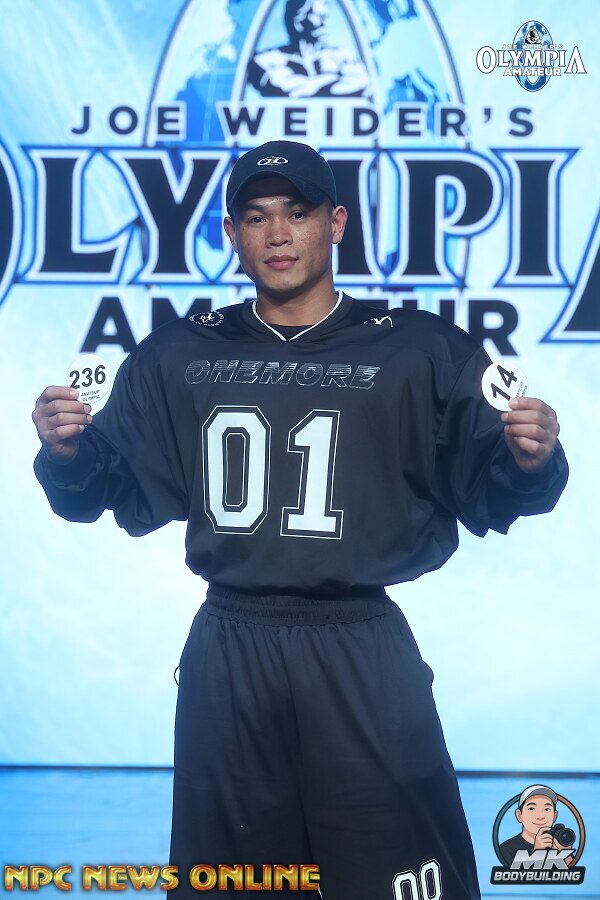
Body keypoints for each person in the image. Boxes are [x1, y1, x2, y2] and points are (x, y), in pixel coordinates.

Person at [32, 139, 568, 899]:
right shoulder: (180, 352)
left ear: (336, 222)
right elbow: (104, 489)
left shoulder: (419, 348)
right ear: (231, 234)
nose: (277, 234)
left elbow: (495, 488)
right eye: (256, 217)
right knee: (233, 882)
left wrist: (532, 459)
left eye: (298, 212)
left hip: (361, 647)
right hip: (231, 651)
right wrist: (66, 452)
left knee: (404, 875)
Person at [499, 785, 574, 867]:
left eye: (547, 809)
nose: (540, 816)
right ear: (519, 815)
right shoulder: (506, 848)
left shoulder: (558, 843)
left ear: (554, 816)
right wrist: (537, 852)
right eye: (532, 808)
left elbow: (575, 873)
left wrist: (565, 854)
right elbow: (514, 874)